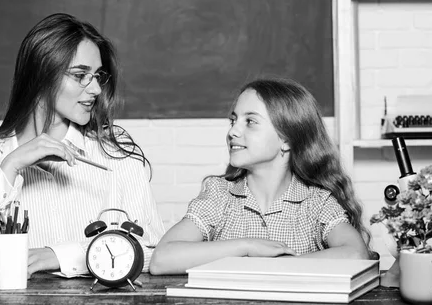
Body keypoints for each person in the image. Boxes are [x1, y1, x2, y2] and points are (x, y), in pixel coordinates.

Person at [0, 13, 164, 278]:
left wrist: (60, 256)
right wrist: (10, 167)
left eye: (97, 75)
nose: (96, 88)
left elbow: (153, 249)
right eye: (80, 75)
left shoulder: (116, 152)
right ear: (42, 76)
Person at [149, 77, 371, 275]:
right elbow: (162, 260)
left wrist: (270, 268)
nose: (233, 131)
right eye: (233, 120)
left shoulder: (317, 202)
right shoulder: (219, 195)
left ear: (286, 139)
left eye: (250, 121)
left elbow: (356, 255)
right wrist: (248, 247)